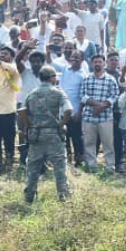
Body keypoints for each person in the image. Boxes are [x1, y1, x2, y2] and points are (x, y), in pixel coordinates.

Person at [19, 65, 72, 203]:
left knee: (33, 167)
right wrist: (61, 125)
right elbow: (68, 110)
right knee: (60, 167)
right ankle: (63, 195)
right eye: (55, 76)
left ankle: (29, 196)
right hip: (54, 135)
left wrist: (28, 126)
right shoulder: (58, 93)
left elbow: (22, 111)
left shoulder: (32, 93)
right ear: (51, 78)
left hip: (36, 135)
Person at [77, 53, 118, 172]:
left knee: (108, 144)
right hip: (89, 117)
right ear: (92, 64)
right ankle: (92, 167)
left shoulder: (110, 79)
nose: (97, 64)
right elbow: (83, 96)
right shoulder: (87, 78)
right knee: (89, 144)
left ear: (104, 63)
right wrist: (96, 105)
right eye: (95, 62)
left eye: (100, 62)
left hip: (105, 117)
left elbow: (114, 96)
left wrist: (102, 106)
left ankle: (110, 168)